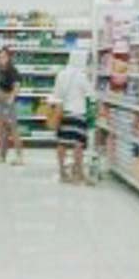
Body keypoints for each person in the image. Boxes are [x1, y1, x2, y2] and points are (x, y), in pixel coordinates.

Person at [49, 49, 93, 183]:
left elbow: (56, 95)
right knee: (78, 145)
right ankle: (78, 173)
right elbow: (90, 94)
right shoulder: (82, 76)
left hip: (63, 113)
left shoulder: (61, 74)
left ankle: (62, 172)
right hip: (79, 114)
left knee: (62, 143)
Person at [0, 47, 24, 165]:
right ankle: (2, 156)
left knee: (14, 130)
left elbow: (16, 87)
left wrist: (9, 99)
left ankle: (20, 157)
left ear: (9, 58)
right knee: (3, 131)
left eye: (3, 57)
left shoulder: (12, 71)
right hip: (0, 104)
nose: (1, 59)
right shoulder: (0, 70)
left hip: (8, 104)